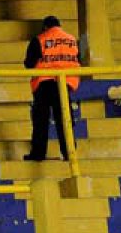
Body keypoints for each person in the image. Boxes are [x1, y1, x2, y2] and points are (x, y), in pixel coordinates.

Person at [23, 16, 80, 161]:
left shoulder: (40, 39)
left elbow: (29, 63)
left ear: (45, 27)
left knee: (41, 119)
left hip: (44, 83)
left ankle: (38, 153)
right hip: (64, 83)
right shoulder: (71, 40)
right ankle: (69, 153)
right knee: (65, 119)